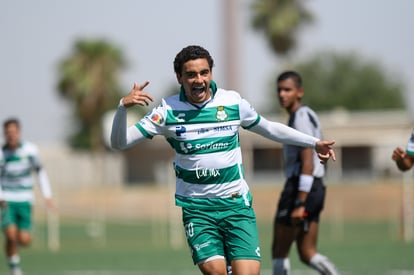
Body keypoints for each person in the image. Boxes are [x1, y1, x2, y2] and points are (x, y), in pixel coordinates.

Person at [110, 45, 336, 275]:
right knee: (217, 272)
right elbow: (119, 143)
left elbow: (269, 129)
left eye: (204, 73)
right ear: (179, 77)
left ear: (210, 74)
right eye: (191, 74)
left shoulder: (232, 102)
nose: (198, 80)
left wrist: (314, 142)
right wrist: (122, 108)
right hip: (198, 209)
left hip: (236, 205)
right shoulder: (166, 110)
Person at [271, 71, 339, 275]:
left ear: (299, 92)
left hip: (300, 188)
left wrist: (300, 202)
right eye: (279, 90)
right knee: (307, 252)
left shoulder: (300, 117)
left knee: (279, 251)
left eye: (287, 89)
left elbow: (307, 161)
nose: (282, 94)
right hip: (316, 187)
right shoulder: (308, 114)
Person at [0, 118, 55, 275]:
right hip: (7, 200)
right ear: (4, 134)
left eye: (13, 132)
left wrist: (47, 195)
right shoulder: (1, 154)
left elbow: (40, 172)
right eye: (8, 133)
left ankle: (13, 251)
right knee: (10, 235)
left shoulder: (31, 151)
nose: (11, 136)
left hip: (25, 199)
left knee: (24, 240)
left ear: (19, 132)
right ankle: (14, 268)